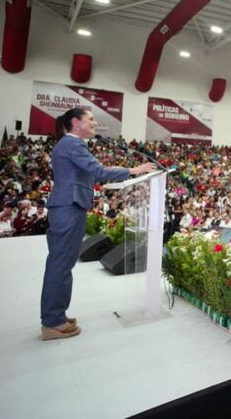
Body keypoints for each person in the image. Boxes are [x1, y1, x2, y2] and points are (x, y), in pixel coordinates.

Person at [40, 108, 155, 341]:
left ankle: (56, 315)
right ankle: (52, 321)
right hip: (68, 207)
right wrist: (134, 170)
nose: (95, 123)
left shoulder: (69, 144)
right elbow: (99, 171)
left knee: (62, 263)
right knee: (60, 264)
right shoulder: (73, 144)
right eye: (90, 119)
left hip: (68, 207)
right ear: (75, 122)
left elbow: (90, 173)